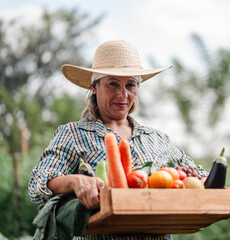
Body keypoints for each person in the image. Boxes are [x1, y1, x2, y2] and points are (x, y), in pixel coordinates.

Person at [28, 40, 208, 240]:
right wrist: (76, 182)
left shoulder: (156, 138)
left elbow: (199, 177)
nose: (123, 94)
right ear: (94, 86)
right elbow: (39, 182)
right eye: (113, 84)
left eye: (130, 84)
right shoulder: (73, 133)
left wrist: (203, 182)